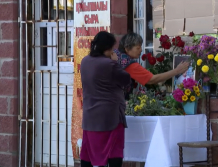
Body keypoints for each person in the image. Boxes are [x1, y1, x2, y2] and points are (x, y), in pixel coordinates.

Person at [79, 31, 131, 167]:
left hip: (90, 116)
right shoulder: (109, 64)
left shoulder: (84, 61)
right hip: (110, 117)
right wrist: (115, 62)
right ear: (107, 48)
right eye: (112, 48)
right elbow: (126, 80)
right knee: (114, 152)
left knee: (88, 152)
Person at [114, 32, 190, 98]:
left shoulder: (115, 54)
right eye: (138, 48)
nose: (141, 50)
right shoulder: (129, 64)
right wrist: (177, 71)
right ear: (127, 49)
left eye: (141, 46)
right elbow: (152, 79)